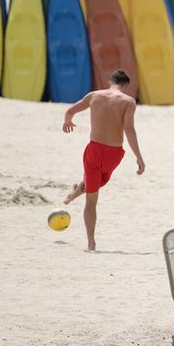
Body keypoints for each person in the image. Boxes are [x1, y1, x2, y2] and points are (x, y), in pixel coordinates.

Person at [61, 69, 145, 251]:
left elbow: (70, 111)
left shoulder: (94, 96)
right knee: (94, 188)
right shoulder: (128, 102)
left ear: (110, 81)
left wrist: (68, 120)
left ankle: (75, 198)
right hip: (115, 154)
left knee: (94, 191)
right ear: (126, 86)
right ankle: (89, 237)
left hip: (94, 149)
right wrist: (138, 157)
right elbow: (129, 130)